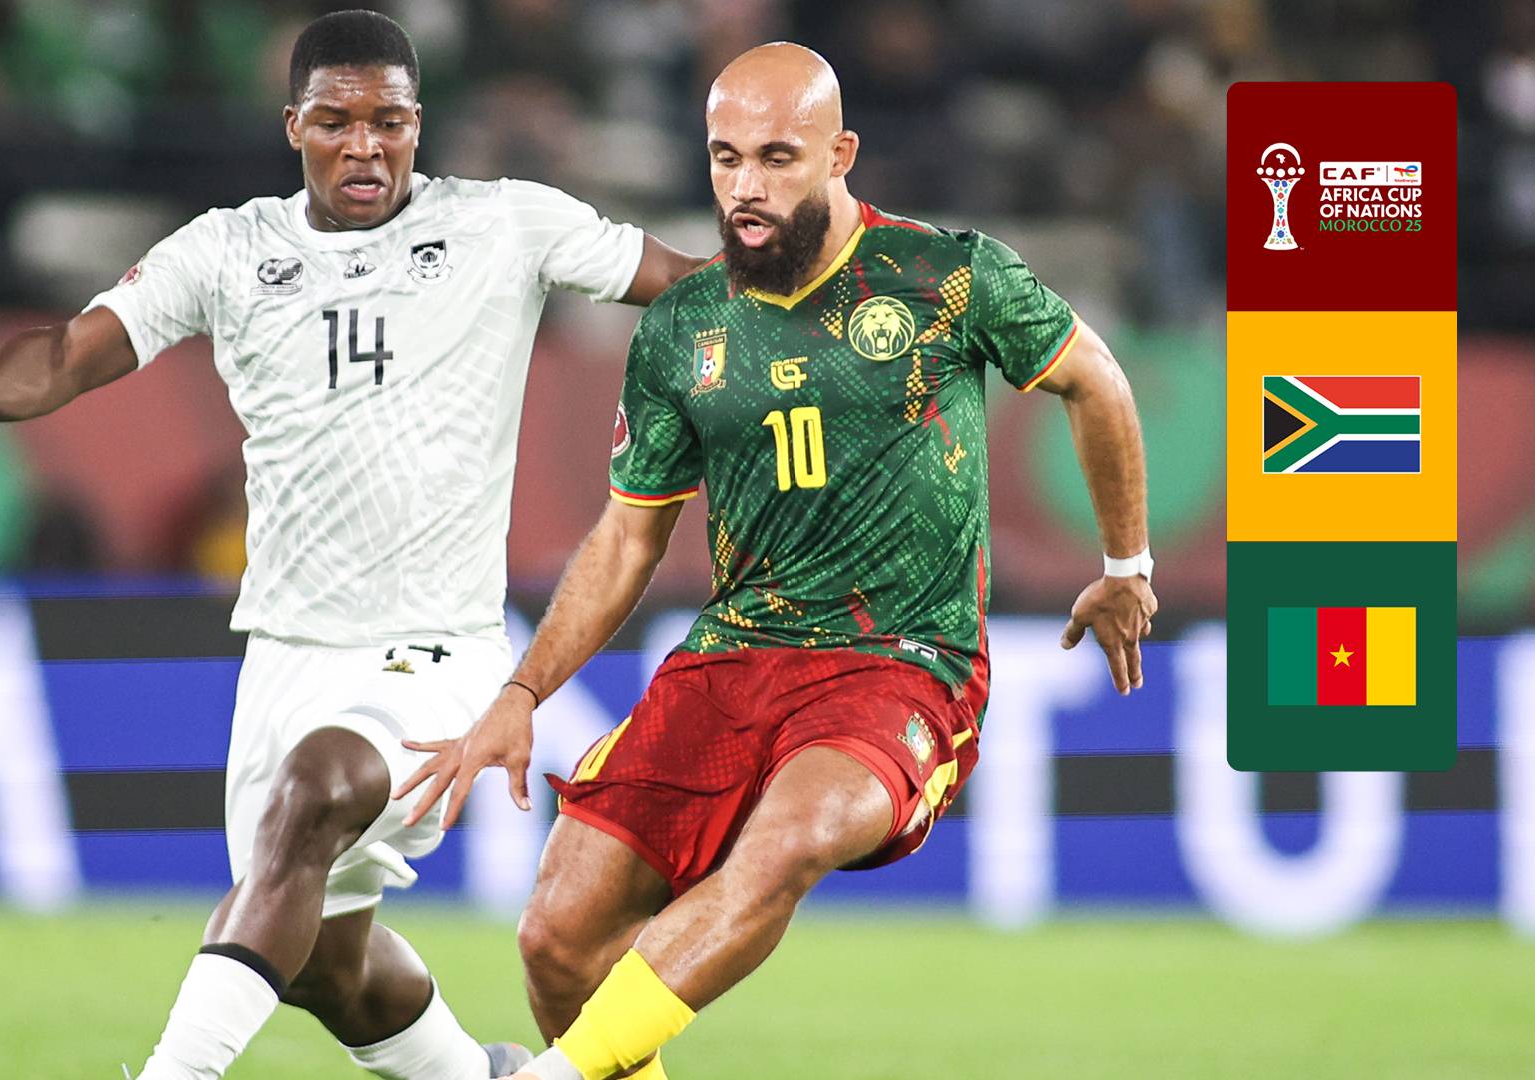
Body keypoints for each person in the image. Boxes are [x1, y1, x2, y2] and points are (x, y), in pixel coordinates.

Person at [0, 11, 700, 1079]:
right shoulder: (229, 250)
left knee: (318, 792)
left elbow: (690, 283)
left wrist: (825, 294)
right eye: (335, 122)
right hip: (284, 651)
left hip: (436, 649)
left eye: (389, 122)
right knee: (323, 958)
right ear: (293, 127)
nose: (364, 147)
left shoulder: (505, 225)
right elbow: (74, 351)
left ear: (420, 124)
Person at [397, 42, 1157, 1080]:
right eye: (725, 159)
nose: (745, 187)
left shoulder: (945, 277)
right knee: (558, 939)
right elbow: (628, 537)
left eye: (776, 158)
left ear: (840, 154)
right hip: (736, 654)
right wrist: (523, 691)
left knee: (787, 842)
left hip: (901, 663)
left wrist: (1127, 564)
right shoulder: (683, 326)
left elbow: (1097, 381)